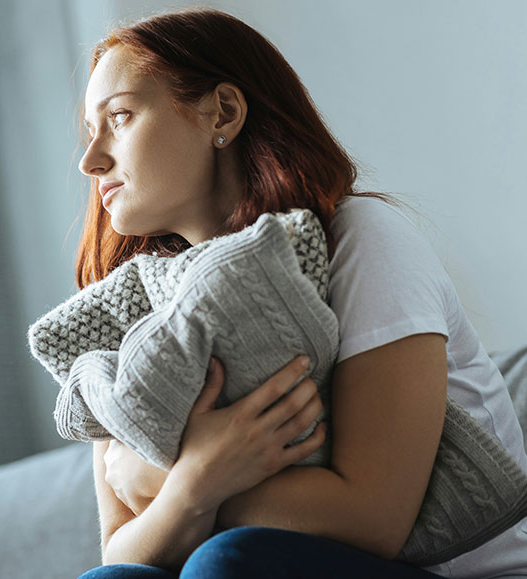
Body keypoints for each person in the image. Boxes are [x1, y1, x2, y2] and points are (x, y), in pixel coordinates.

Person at [71, 7, 527, 578]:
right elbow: (119, 550)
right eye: (91, 132)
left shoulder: (359, 239)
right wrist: (191, 486)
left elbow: (374, 520)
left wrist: (173, 482)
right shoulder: (126, 310)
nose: (92, 161)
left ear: (225, 112)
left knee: (229, 562)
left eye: (120, 117)